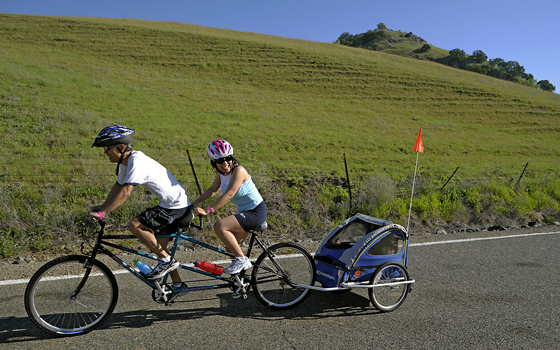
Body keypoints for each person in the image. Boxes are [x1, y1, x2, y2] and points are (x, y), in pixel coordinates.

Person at [89, 125, 191, 291]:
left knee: (134, 225)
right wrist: (103, 206)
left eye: (107, 149)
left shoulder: (136, 161)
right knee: (160, 250)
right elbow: (117, 187)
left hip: (174, 206)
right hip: (174, 204)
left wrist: (103, 213)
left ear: (121, 148)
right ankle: (178, 284)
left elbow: (125, 193)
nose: (105, 153)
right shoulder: (126, 162)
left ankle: (167, 262)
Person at [191, 140, 267, 275]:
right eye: (221, 160)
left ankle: (243, 260)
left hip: (256, 212)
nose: (225, 163)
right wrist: (194, 203)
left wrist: (208, 210)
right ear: (214, 162)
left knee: (220, 226)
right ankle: (240, 283)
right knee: (230, 249)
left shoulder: (239, 170)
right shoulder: (222, 174)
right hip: (245, 213)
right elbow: (213, 189)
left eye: (228, 159)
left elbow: (229, 194)